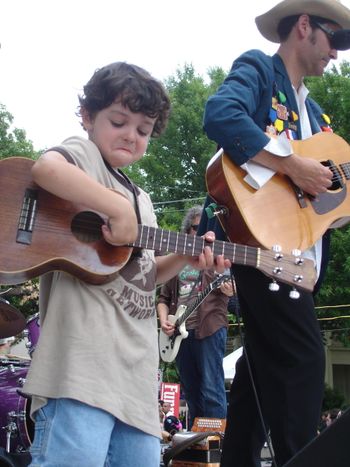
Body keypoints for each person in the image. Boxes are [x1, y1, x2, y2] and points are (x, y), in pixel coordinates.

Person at [23, 62, 230, 467]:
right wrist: (113, 205)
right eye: (119, 121)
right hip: (80, 370)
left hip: (135, 380)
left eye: (143, 130)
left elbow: (146, 277)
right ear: (87, 117)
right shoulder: (84, 158)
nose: (131, 135)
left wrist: (187, 255)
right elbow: (45, 169)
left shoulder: (143, 202)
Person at [199, 1, 350, 465]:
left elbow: (323, 205)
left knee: (257, 379)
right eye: (334, 39)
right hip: (263, 251)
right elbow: (221, 115)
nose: (338, 54)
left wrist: (328, 200)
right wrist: (293, 165)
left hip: (297, 261)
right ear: (304, 26)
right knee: (303, 363)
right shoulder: (260, 71)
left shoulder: (319, 117)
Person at [157, 206, 233, 430]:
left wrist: (231, 289)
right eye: (196, 228)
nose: (201, 233)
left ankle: (216, 445)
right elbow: (163, 299)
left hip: (209, 328)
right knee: (191, 391)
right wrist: (164, 322)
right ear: (187, 232)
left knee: (211, 389)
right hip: (178, 335)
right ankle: (196, 444)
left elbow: (233, 286)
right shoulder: (177, 260)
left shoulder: (220, 256)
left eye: (206, 228)